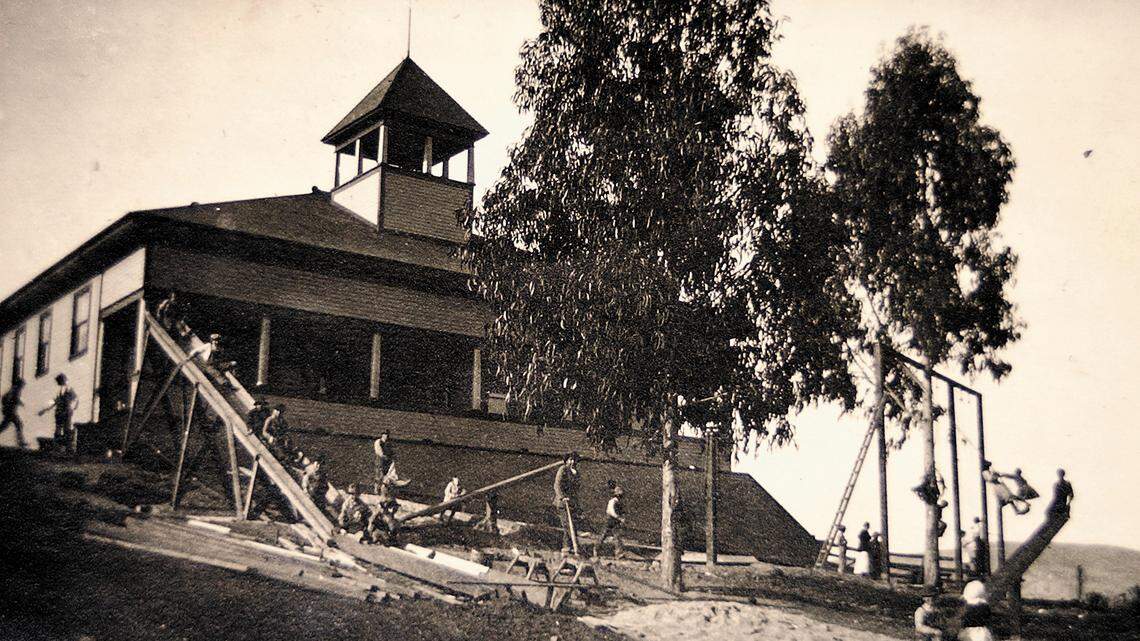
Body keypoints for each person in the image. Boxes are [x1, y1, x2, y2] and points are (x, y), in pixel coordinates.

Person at [39, 374, 78, 454]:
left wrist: (73, 408)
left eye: (59, 382)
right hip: (61, 412)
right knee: (59, 429)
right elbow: (56, 402)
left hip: (65, 412)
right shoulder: (62, 390)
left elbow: (76, 399)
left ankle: (67, 448)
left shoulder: (69, 389)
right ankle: (59, 447)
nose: (58, 383)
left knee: (65, 430)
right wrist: (45, 410)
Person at [553, 451, 581, 555]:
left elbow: (575, 490)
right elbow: (557, 485)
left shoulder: (576, 473)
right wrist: (562, 497)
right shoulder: (563, 469)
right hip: (562, 503)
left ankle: (567, 548)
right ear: (566, 461)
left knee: (571, 525)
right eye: (570, 459)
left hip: (572, 503)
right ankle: (574, 547)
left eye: (575, 460)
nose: (573, 462)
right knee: (568, 525)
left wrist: (576, 504)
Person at [595, 484, 627, 559]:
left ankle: (619, 554)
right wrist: (619, 518)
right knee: (603, 535)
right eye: (619, 494)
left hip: (616, 521)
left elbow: (622, 512)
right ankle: (596, 549)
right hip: (609, 520)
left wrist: (622, 518)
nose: (621, 496)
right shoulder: (612, 501)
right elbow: (611, 512)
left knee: (617, 537)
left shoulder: (619, 502)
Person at [0, 378, 28, 449]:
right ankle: (21, 442)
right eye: (22, 385)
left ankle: (21, 442)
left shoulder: (15, 389)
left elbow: (13, 398)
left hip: (10, 412)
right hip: (10, 412)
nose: (23, 387)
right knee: (18, 425)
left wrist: (19, 402)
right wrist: (17, 402)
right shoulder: (15, 389)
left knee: (4, 426)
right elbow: (10, 398)